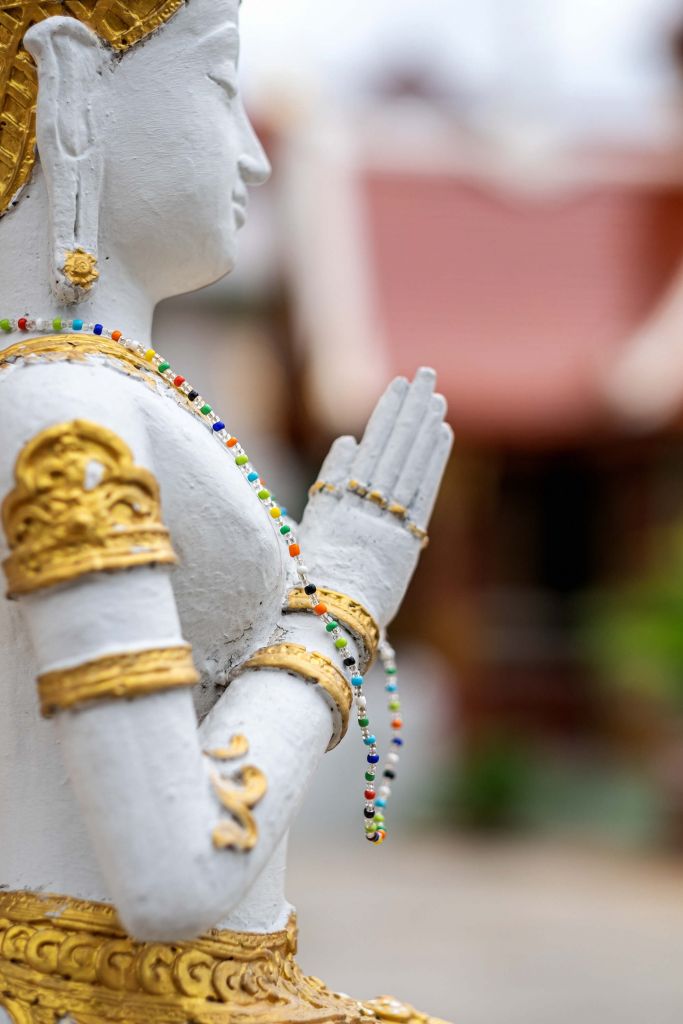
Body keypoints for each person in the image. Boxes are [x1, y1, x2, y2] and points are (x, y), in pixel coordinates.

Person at [0, 3, 452, 1021]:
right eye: (219, 87)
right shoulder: (61, 413)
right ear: (72, 87)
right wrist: (335, 606)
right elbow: (171, 870)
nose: (251, 155)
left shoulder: (95, 393)